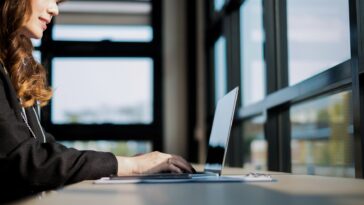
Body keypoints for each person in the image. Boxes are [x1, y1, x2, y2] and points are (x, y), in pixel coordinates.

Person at [0, 0, 194, 202]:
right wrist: (131, 166)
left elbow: (42, 148)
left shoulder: (12, 64)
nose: (55, 10)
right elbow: (28, 161)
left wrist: (124, 163)